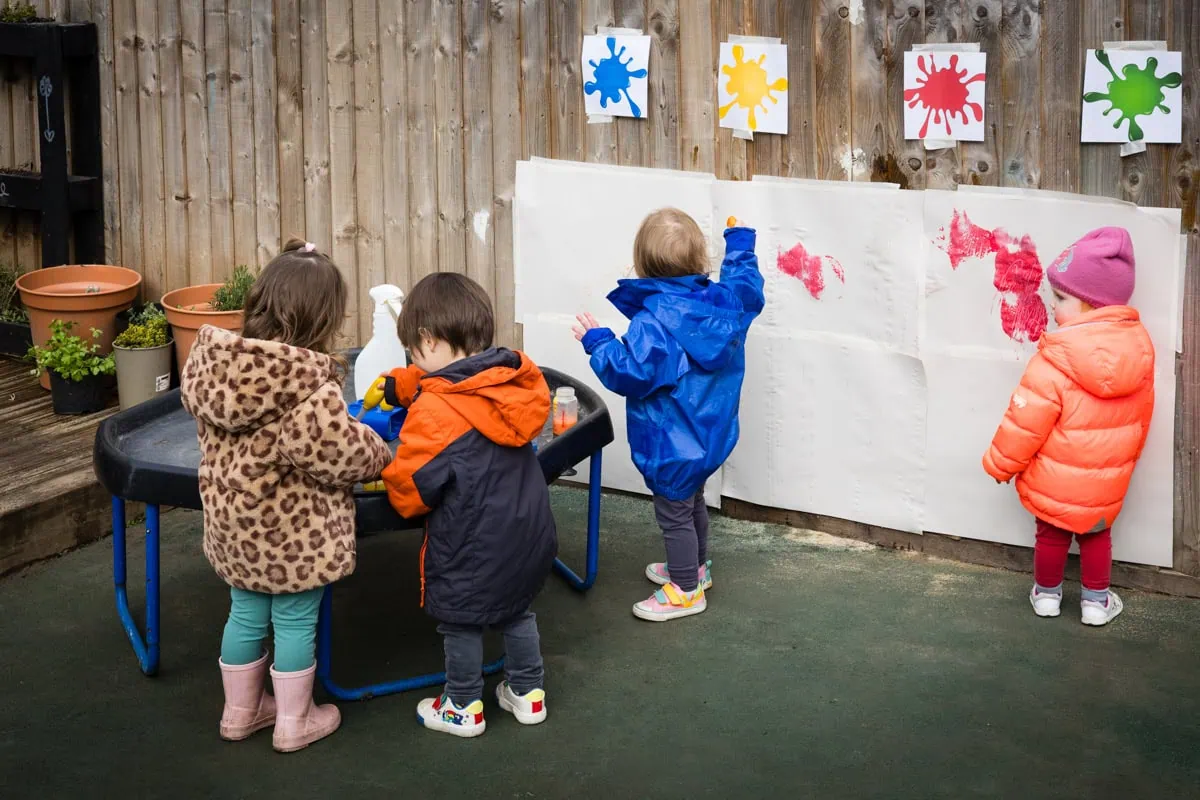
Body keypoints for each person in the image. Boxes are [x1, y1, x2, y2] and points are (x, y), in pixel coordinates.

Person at [181, 240, 392, 752]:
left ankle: (240, 712)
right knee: (295, 618)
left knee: (245, 612)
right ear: (322, 320)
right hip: (292, 536)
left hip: (234, 524)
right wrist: (376, 445)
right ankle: (295, 722)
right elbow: (340, 456)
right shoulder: (305, 387)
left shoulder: (212, 364)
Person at [371, 272, 557, 738]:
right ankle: (528, 693)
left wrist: (381, 475)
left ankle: (463, 705)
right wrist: (403, 383)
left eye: (413, 351)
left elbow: (412, 492)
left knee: (461, 622)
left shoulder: (435, 413)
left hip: (472, 542)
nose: (413, 359)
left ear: (429, 341)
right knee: (518, 611)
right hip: (527, 531)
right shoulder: (516, 379)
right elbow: (456, 383)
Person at [573, 209, 765, 622]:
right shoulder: (725, 305)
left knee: (674, 513)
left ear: (641, 265)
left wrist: (598, 341)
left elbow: (630, 373)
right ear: (700, 260)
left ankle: (684, 590)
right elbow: (745, 287)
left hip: (672, 443)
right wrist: (740, 244)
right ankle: (694, 568)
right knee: (691, 499)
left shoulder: (653, 322)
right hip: (709, 435)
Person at [983, 227, 1154, 626]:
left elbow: (1025, 421)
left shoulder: (1055, 358)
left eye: (1061, 298)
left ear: (1091, 305)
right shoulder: (1140, 352)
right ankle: (1095, 603)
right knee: (1097, 537)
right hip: (1106, 482)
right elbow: (1140, 421)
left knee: (1051, 535)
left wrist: (999, 464)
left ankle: (1046, 596)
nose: (1054, 306)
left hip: (1055, 480)